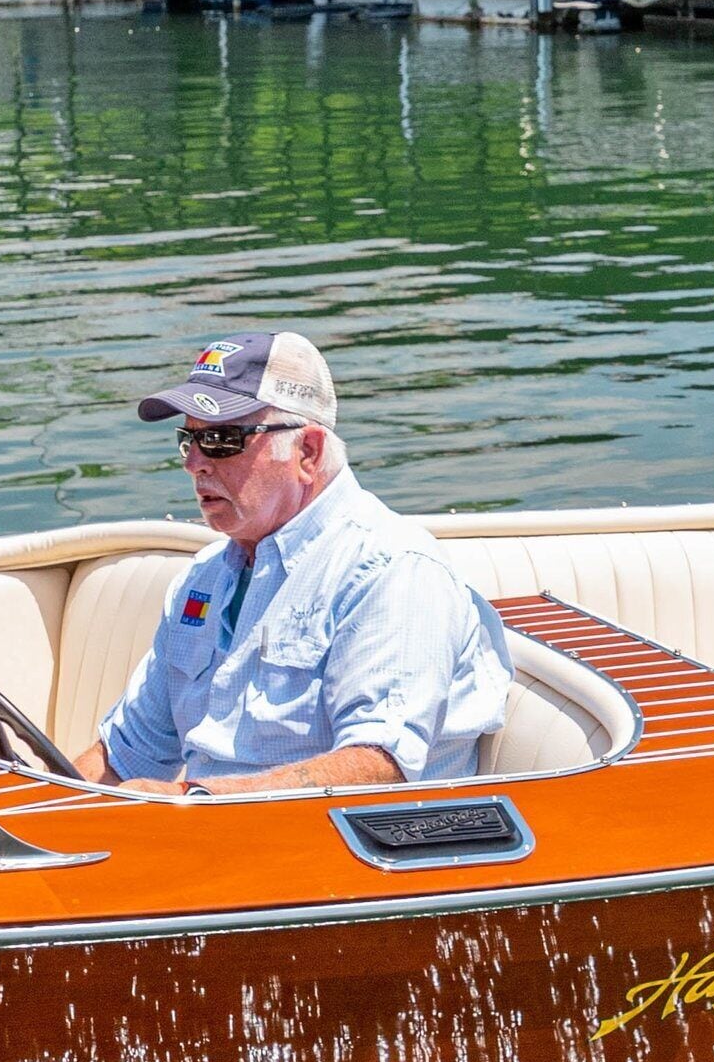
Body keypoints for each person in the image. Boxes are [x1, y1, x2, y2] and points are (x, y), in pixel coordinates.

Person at [81, 331, 512, 795]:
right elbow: (123, 756)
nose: (195, 464)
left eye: (222, 440)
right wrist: (40, 803)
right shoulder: (204, 577)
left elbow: (379, 766)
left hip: (336, 837)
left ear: (308, 452)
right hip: (211, 826)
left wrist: (192, 801)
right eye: (190, 440)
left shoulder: (392, 570)